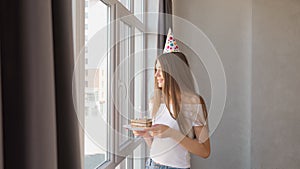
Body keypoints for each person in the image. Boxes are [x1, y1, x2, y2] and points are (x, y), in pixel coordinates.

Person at [133, 29, 210, 169]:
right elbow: (157, 146)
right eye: (155, 70)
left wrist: (172, 133)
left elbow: (205, 151)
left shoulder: (193, 103)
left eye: (160, 70)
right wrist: (146, 135)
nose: (156, 75)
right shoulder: (154, 102)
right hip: (151, 165)